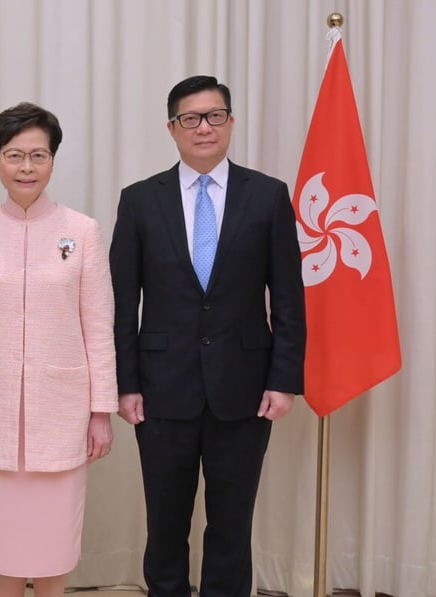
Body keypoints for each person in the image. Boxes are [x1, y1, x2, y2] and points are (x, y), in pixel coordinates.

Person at [109, 75, 306, 596]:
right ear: (172, 128)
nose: (204, 127)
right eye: (191, 118)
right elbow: (122, 303)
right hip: (160, 391)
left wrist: (284, 380)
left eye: (215, 116)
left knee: (232, 526)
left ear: (231, 123)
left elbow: (289, 296)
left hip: (245, 389)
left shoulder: (267, 196)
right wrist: (126, 384)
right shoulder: (139, 200)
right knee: (165, 525)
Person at [0, 102, 117, 597]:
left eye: (38, 155)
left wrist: (100, 411)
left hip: (63, 414)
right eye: (14, 155)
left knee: (55, 542)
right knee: (3, 542)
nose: (26, 167)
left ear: (53, 161)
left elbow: (98, 327)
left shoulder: (81, 231)